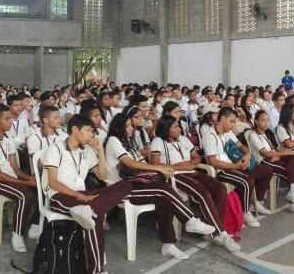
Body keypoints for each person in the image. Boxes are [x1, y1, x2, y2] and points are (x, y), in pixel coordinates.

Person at [104, 113, 217, 259]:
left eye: (131, 125)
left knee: (163, 197)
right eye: (128, 125)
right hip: (121, 188)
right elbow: (129, 163)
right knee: (163, 189)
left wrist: (162, 169)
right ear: (119, 128)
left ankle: (168, 244)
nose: (132, 128)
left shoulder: (127, 143)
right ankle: (190, 220)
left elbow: (142, 163)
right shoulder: (113, 140)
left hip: (136, 183)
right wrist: (158, 168)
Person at [44, 115, 132, 274]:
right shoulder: (55, 148)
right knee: (93, 218)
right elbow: (53, 182)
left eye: (92, 131)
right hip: (59, 195)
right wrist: (82, 198)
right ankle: (97, 271)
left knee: (125, 185)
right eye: (88, 131)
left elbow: (103, 175)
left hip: (83, 196)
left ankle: (89, 209)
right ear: (75, 130)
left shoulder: (87, 151)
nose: (91, 135)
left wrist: (99, 151)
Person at [149, 115, 240, 251]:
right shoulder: (158, 141)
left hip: (192, 172)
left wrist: (191, 163)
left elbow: (197, 157)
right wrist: (179, 167)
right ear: (166, 129)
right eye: (175, 127)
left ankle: (213, 232)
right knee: (203, 194)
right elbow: (155, 164)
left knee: (220, 189)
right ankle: (222, 234)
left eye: (178, 126)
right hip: (175, 176)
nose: (179, 129)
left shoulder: (183, 139)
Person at [200, 108, 276, 227]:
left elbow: (241, 146)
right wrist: (235, 166)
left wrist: (247, 155)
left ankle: (257, 202)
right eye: (231, 121)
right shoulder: (210, 136)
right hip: (222, 170)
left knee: (266, 170)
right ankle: (244, 212)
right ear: (223, 119)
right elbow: (213, 162)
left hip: (237, 164)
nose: (233, 125)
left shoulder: (228, 132)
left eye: (234, 122)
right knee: (247, 181)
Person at [0, 104, 37, 253]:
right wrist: (25, 182)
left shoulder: (8, 138)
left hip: (7, 178)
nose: (11, 121)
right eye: (7, 118)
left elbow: (15, 169)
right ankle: (17, 235)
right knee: (26, 194)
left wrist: (30, 178)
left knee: (36, 188)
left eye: (11, 118)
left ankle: (34, 225)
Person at [245, 110, 294, 214]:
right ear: (256, 122)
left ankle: (293, 193)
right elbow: (265, 154)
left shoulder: (269, 133)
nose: (266, 123)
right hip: (263, 162)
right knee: (292, 172)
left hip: (274, 158)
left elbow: (277, 149)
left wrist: (279, 155)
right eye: (263, 120)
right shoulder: (254, 135)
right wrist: (282, 154)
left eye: (267, 120)